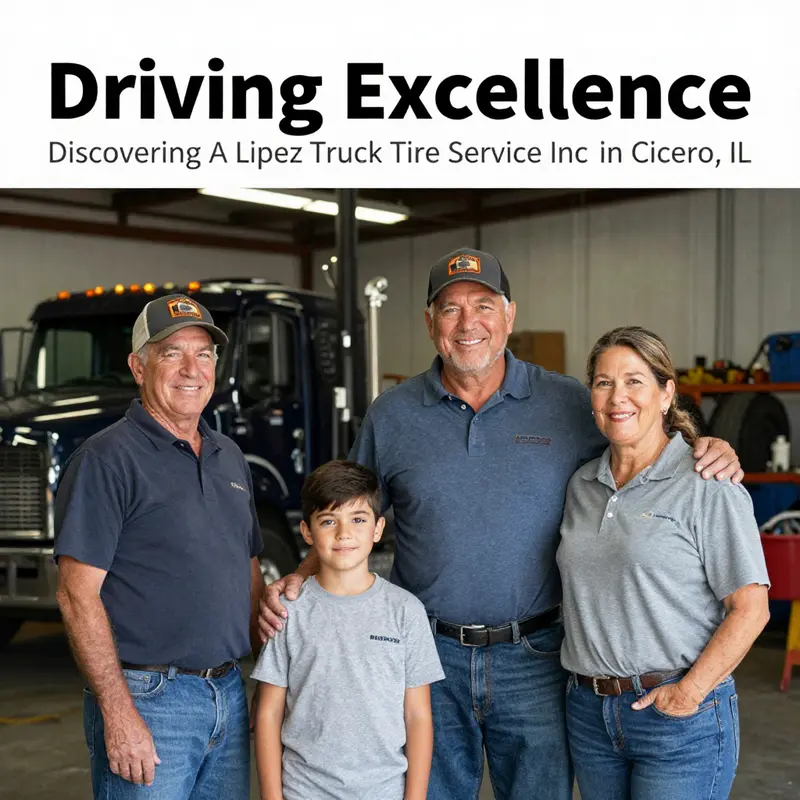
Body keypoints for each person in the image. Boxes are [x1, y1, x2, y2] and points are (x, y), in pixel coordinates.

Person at [260, 248, 743, 800]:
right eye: (450, 309)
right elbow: (347, 514)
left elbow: (638, 435)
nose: (468, 323)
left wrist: (702, 446)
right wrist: (300, 577)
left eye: (484, 306)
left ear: (509, 316)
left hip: (536, 657)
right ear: (429, 322)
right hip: (428, 654)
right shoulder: (392, 415)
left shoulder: (567, 402)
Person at [54, 294, 264, 799]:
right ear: (138, 367)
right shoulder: (106, 460)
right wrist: (118, 712)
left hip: (228, 691)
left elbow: (249, 569)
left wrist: (267, 681)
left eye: (204, 354)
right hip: (149, 700)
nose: (192, 369)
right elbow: (76, 595)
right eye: (172, 353)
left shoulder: (229, 455)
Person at [557, 326, 770, 800]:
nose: (618, 397)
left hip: (677, 720)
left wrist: (689, 693)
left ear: (666, 394)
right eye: (604, 382)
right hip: (589, 716)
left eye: (634, 381)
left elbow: (751, 608)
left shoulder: (707, 483)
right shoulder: (581, 485)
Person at [252, 460, 444, 800]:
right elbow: (269, 713)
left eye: (358, 519)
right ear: (307, 532)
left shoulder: (405, 611)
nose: (344, 533)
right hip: (304, 792)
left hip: (384, 792)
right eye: (329, 521)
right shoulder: (289, 611)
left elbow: (418, 716)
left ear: (378, 528)